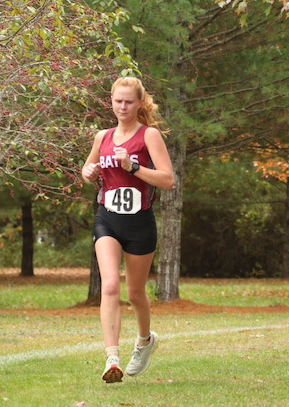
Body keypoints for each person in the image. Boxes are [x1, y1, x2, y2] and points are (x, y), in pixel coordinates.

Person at [81, 77, 174, 383]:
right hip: (107, 218)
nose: (123, 107)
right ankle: (112, 358)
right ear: (111, 101)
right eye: (118, 101)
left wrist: (133, 167)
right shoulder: (102, 136)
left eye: (129, 102)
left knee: (135, 293)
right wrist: (89, 171)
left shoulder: (149, 136)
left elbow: (167, 180)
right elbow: (87, 171)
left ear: (139, 104)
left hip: (139, 222)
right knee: (110, 286)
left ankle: (145, 341)